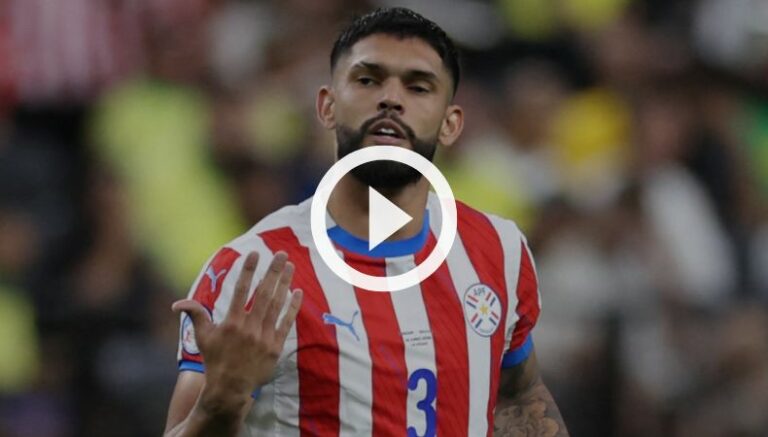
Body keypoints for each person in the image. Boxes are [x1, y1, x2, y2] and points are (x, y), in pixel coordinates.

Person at [163, 7, 569, 437]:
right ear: (327, 107)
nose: (391, 98)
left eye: (418, 87)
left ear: (450, 125)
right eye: (368, 80)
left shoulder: (498, 249)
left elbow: (520, 395)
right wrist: (221, 402)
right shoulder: (253, 271)